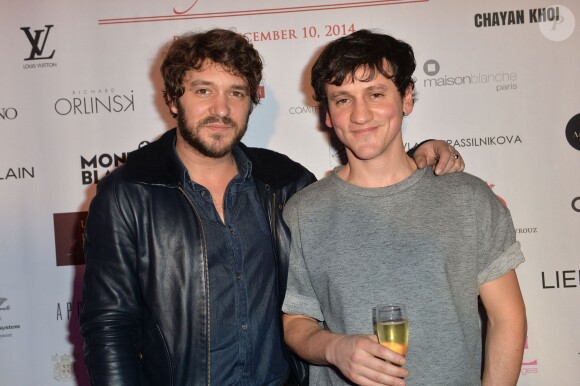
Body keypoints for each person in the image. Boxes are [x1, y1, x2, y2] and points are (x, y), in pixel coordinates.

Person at [79, 28, 464, 386]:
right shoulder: (127, 194)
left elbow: (357, 198)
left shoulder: (285, 182)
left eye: (236, 92)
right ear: (172, 100)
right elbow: (109, 326)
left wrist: (416, 160)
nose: (221, 109)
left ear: (252, 101)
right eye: (202, 91)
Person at [281, 29, 527, 386]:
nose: (360, 115)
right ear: (328, 115)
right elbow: (296, 322)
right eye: (343, 99)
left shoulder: (467, 198)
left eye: (375, 94)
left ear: (406, 99)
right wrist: (334, 348)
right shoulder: (303, 211)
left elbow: (507, 318)